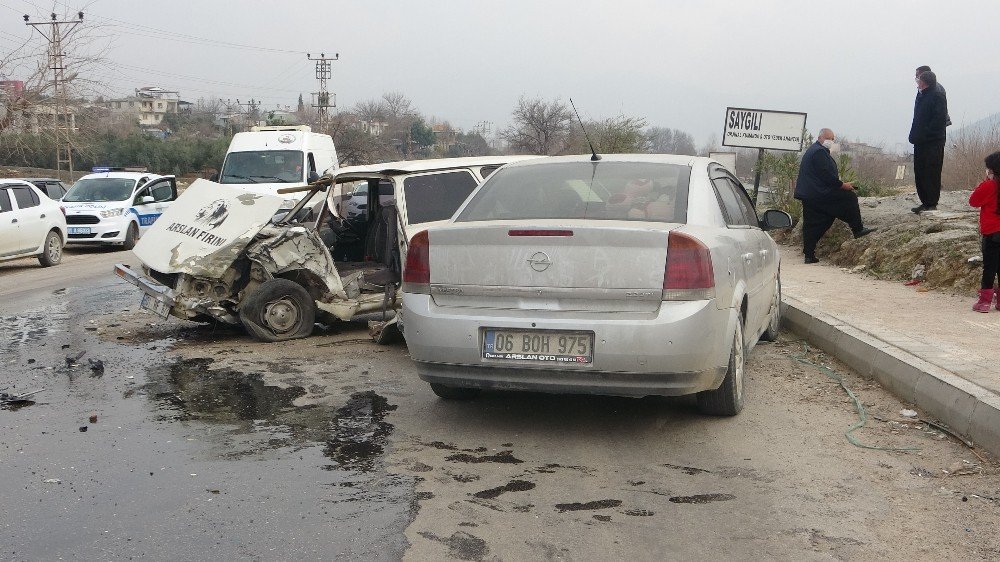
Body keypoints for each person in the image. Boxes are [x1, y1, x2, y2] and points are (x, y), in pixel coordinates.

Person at [794, 128, 875, 264]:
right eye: (828, 138)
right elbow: (827, 176)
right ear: (820, 138)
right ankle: (858, 229)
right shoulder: (819, 152)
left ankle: (809, 254)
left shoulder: (814, 150)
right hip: (819, 193)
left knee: (815, 223)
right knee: (849, 198)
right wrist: (843, 185)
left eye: (832, 139)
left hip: (810, 194)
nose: (830, 141)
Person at [909, 70, 949, 214]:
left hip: (932, 142)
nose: (917, 83)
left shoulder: (937, 95)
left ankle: (931, 202)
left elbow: (938, 121)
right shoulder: (922, 95)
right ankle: (925, 201)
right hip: (920, 141)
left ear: (924, 82)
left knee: (931, 171)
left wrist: (924, 134)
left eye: (918, 80)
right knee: (920, 171)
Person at [968, 151, 1000, 312]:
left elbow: (973, 201)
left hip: (992, 233)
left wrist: (985, 182)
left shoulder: (990, 185)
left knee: (989, 267)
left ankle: (985, 301)